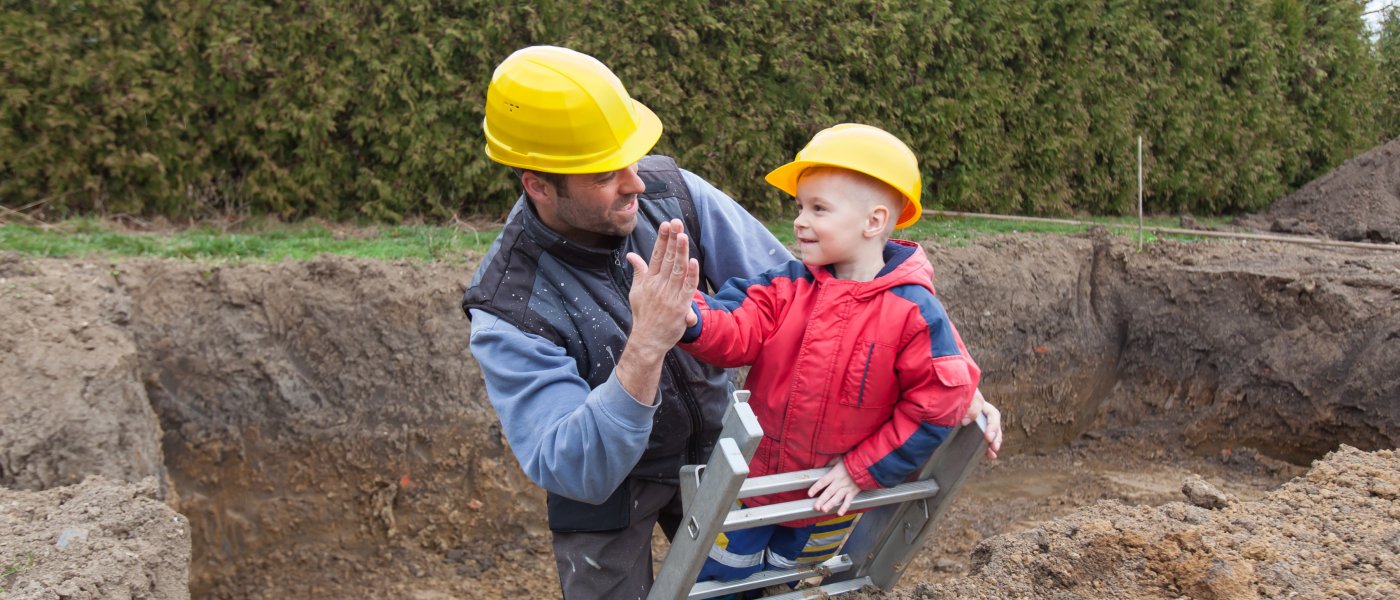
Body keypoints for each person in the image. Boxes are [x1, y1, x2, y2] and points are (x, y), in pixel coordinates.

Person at [462, 46, 1002, 599]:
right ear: (539, 186)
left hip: (719, 449)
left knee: (750, 588)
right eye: (606, 174)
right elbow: (577, 469)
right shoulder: (510, 307)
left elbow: (823, 289)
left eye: (632, 156)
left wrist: (954, 372)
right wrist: (645, 346)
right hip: (608, 489)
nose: (637, 183)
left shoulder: (674, 191)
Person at [654, 124, 985, 583]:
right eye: (799, 207)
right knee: (716, 583)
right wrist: (692, 317)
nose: (799, 221)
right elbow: (738, 326)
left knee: (788, 584)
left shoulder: (912, 312)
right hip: (753, 488)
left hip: (828, 499)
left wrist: (860, 470)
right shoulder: (785, 284)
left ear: (873, 221)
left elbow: (936, 403)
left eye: (818, 209)